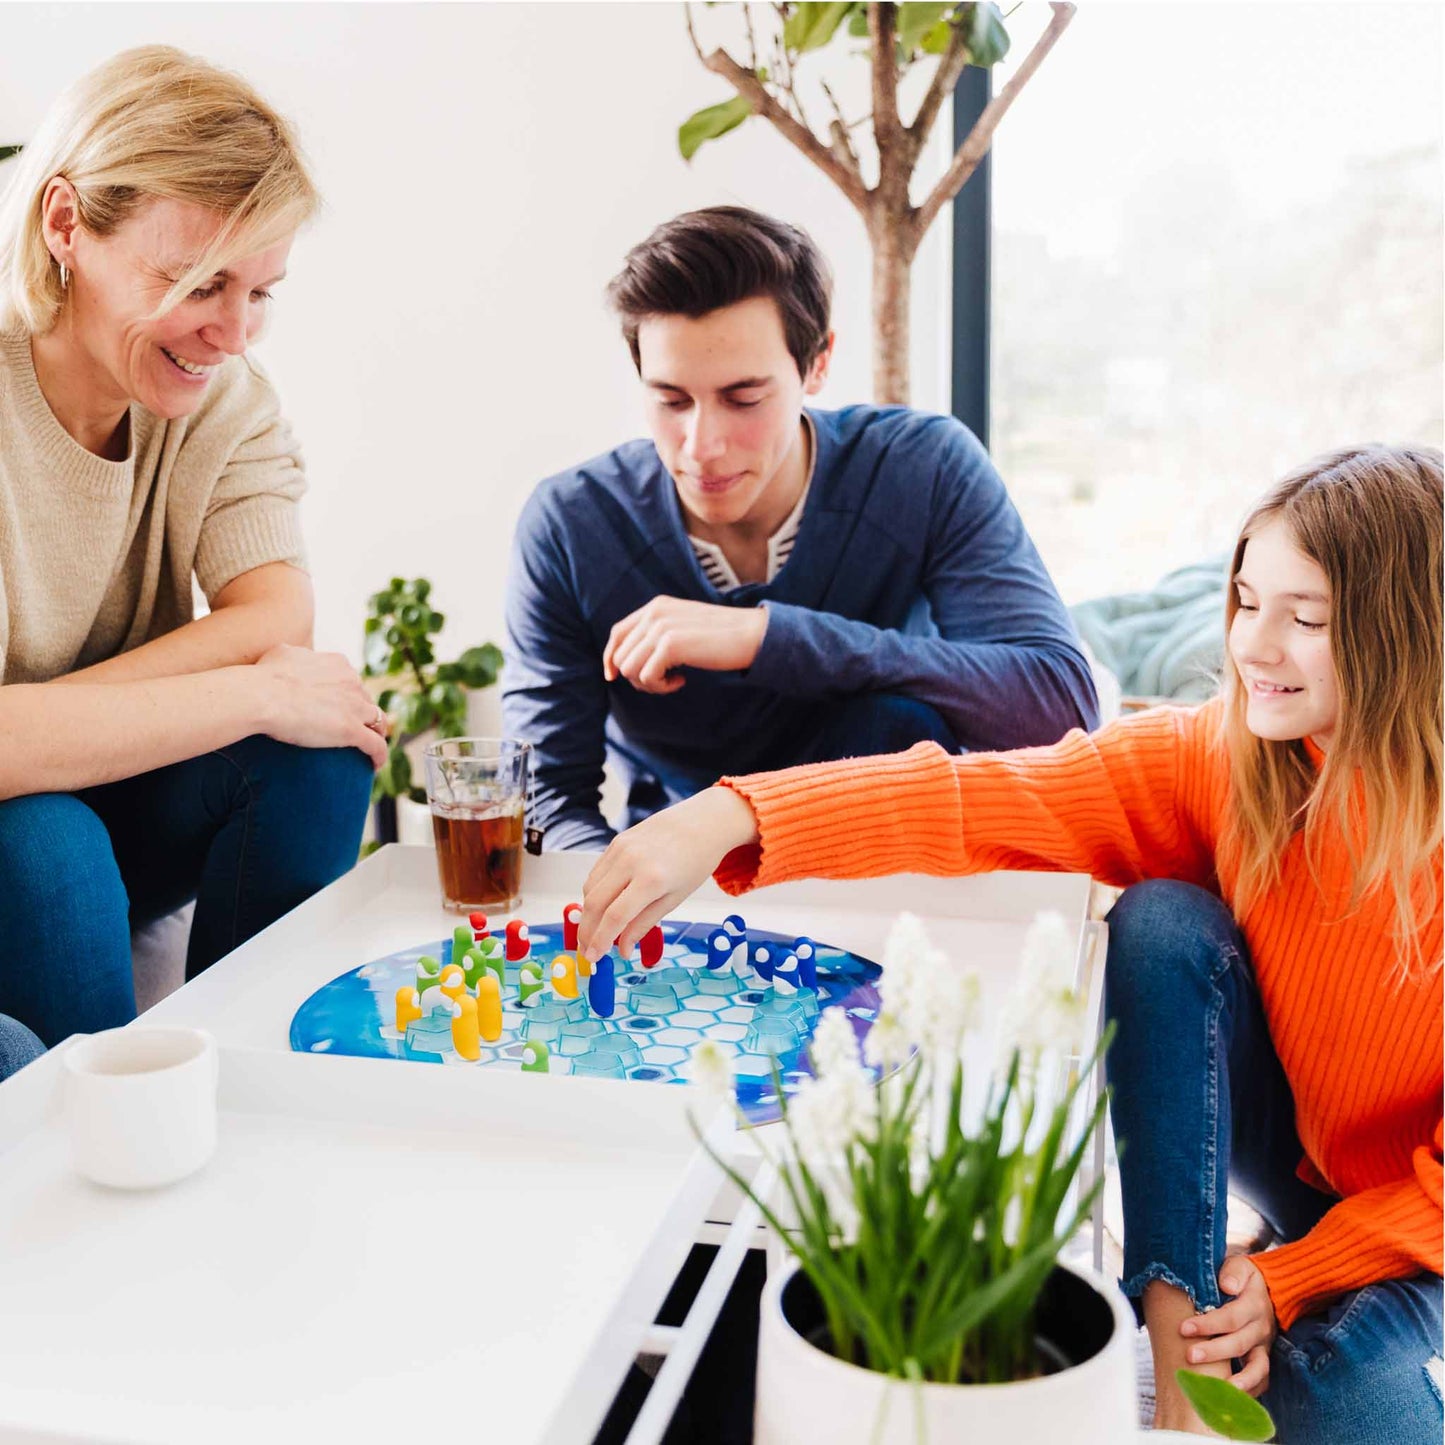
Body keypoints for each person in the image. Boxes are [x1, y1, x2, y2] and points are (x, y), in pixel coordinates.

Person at [577, 445, 1444, 1442]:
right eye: (1245, 600)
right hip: (1300, 1158)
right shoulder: (1232, 754)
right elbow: (981, 793)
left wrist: (1295, 1280)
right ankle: (1177, 1383)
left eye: (1306, 619)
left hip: (1420, 1222)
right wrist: (729, 816)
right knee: (1161, 921)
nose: (1254, 645)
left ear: (1400, 635)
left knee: (1329, 1395)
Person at [0, 46, 387, 1068]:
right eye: (197, 282)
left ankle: (259, 1084)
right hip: (25, 829)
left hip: (103, 789)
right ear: (66, 226)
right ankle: (111, 1137)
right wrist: (241, 693)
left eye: (262, 290)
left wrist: (52, 720)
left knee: (320, 740)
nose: (232, 333)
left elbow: (273, 625)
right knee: (42, 831)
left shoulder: (223, 398)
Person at [502, 206, 1098, 852]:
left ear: (816, 364)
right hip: (681, 881)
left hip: (880, 865)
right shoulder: (572, 525)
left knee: (895, 723)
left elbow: (1059, 708)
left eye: (743, 398)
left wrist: (768, 637)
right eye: (671, 400)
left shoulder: (921, 470)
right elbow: (545, 800)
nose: (701, 446)